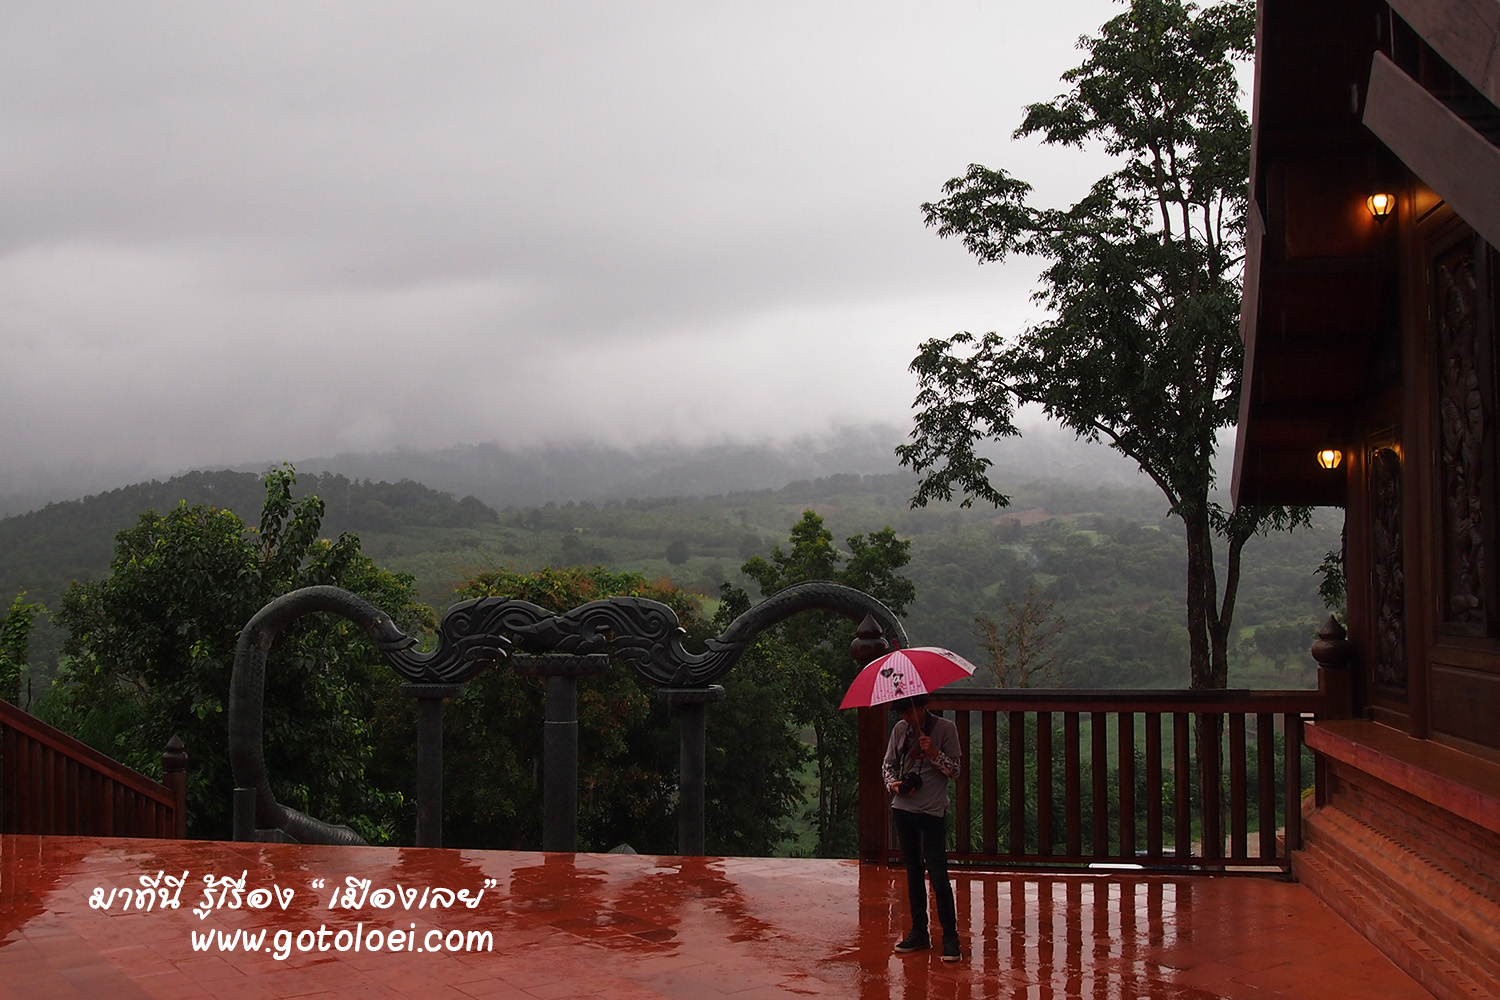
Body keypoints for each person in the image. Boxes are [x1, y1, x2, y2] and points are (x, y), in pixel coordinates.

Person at [882, 694, 962, 961]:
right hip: (903, 809)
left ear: (922, 706)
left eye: (909, 713)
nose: (906, 718)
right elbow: (888, 766)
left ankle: (950, 936)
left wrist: (935, 753)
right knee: (913, 872)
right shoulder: (900, 730)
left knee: (938, 875)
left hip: (932, 811)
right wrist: (894, 786)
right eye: (902, 714)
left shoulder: (945, 729)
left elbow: (956, 771)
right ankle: (919, 931)